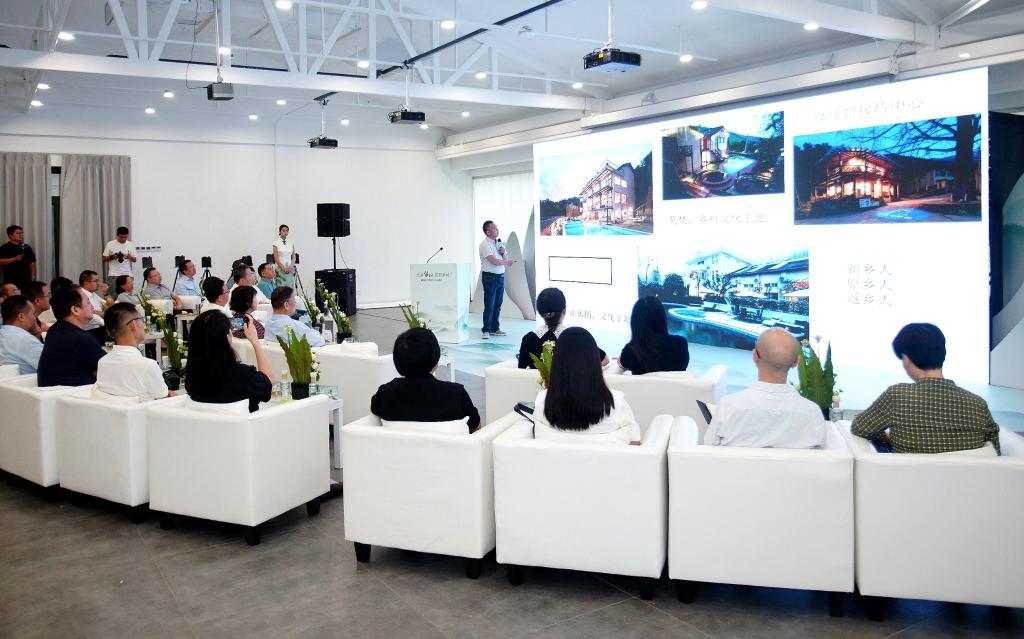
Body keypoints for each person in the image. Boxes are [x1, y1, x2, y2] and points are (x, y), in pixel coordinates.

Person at [851, 323, 1000, 455]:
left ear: (906, 359)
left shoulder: (897, 396)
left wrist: (886, 437)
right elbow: (995, 450)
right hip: (967, 478)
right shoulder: (978, 405)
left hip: (907, 477)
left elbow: (860, 427)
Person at [703, 328, 826, 449]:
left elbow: (708, 448)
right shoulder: (812, 413)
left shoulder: (728, 406)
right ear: (796, 361)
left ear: (755, 356)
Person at [533, 327, 641, 445]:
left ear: (557, 362)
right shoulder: (617, 403)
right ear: (594, 361)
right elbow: (635, 443)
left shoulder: (542, 401)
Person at [371, 327, 480, 432]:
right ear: (436, 360)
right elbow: (476, 427)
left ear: (397, 360)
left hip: (396, 445)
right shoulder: (456, 394)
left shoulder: (385, 394)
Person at [184, 310, 272, 413]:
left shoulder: (191, 378)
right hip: (245, 422)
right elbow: (269, 381)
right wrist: (255, 342)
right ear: (227, 337)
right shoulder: (243, 376)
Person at [95, 303, 171, 401]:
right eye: (142, 320)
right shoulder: (147, 365)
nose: (144, 325)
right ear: (133, 325)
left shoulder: (102, 362)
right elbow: (163, 398)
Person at [518, 288, 607, 368]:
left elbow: (520, 371)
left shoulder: (528, 339)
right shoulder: (578, 337)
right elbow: (605, 360)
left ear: (540, 312)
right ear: (564, 310)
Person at [37, 285, 107, 387]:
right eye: (88, 302)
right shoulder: (81, 338)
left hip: (52, 393)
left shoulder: (54, 330)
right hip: (77, 393)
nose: (92, 307)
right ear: (75, 310)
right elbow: (110, 369)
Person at [619, 296, 689, 375]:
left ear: (635, 322)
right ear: (662, 318)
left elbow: (622, 363)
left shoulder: (630, 350)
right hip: (675, 383)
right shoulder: (680, 344)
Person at [479, 220, 513, 339]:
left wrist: (503, 253)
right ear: (488, 232)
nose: (497, 230)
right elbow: (493, 261)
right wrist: (506, 262)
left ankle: (495, 328)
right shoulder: (484, 244)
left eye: (497, 228)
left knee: (498, 304)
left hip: (500, 276)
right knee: (489, 304)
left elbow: (506, 257)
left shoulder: (499, 242)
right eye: (494, 228)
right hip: (490, 277)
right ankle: (486, 330)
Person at [0, 295, 43, 374]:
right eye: (33, 314)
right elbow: (54, 365)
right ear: (21, 316)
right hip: (30, 381)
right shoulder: (24, 339)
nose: (35, 318)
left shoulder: (3, 333)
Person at [0, 225, 37, 291]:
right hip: (11, 278)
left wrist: (33, 275)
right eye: (17, 233)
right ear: (10, 235)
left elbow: (32, 262)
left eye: (21, 233)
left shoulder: (26, 247)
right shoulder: (4, 247)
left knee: (26, 293)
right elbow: (1, 261)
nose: (20, 235)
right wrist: (15, 259)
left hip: (25, 277)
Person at [102, 226, 137, 291]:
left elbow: (135, 259)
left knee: (128, 294)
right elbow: (104, 259)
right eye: (121, 237)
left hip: (127, 274)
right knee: (114, 294)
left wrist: (129, 257)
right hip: (114, 274)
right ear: (117, 235)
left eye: (125, 237)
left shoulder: (130, 245)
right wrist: (112, 257)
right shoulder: (110, 244)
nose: (123, 239)